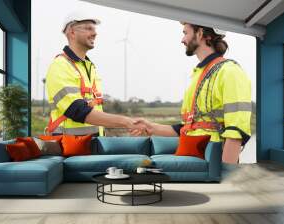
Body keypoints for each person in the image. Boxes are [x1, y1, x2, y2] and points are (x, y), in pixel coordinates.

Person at [133, 22, 252, 164]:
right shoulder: (199, 74)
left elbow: (236, 131)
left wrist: (226, 175)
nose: (182, 40)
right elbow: (187, 127)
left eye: (185, 33)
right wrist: (150, 127)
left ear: (200, 33)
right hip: (194, 159)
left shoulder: (230, 72)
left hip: (210, 162)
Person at [45, 11, 145, 136]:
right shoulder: (60, 65)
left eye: (94, 29)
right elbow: (77, 110)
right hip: (70, 148)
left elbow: (94, 110)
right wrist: (125, 122)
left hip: (90, 146)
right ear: (72, 32)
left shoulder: (89, 67)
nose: (95, 33)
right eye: (88, 28)